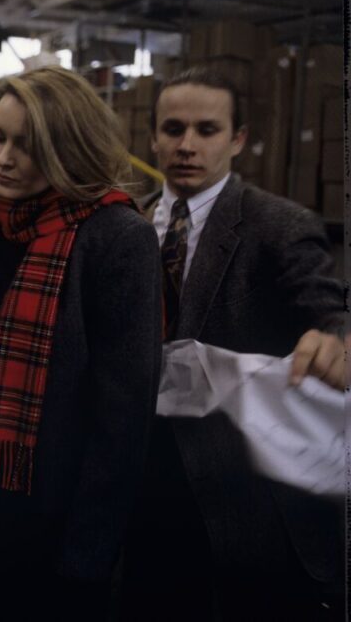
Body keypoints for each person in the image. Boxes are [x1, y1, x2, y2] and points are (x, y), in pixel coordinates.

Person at [120, 67, 346, 621]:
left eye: (207, 129)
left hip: (232, 486)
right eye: (173, 129)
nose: (187, 145)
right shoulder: (123, 226)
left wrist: (337, 338)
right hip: (135, 473)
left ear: (238, 139)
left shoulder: (279, 225)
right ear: (152, 138)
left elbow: (328, 308)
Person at [0, 65, 162, 620]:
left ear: (69, 147)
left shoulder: (117, 238)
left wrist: (88, 553)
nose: (3, 158)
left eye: (27, 144)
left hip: (61, 512)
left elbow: (125, 414)